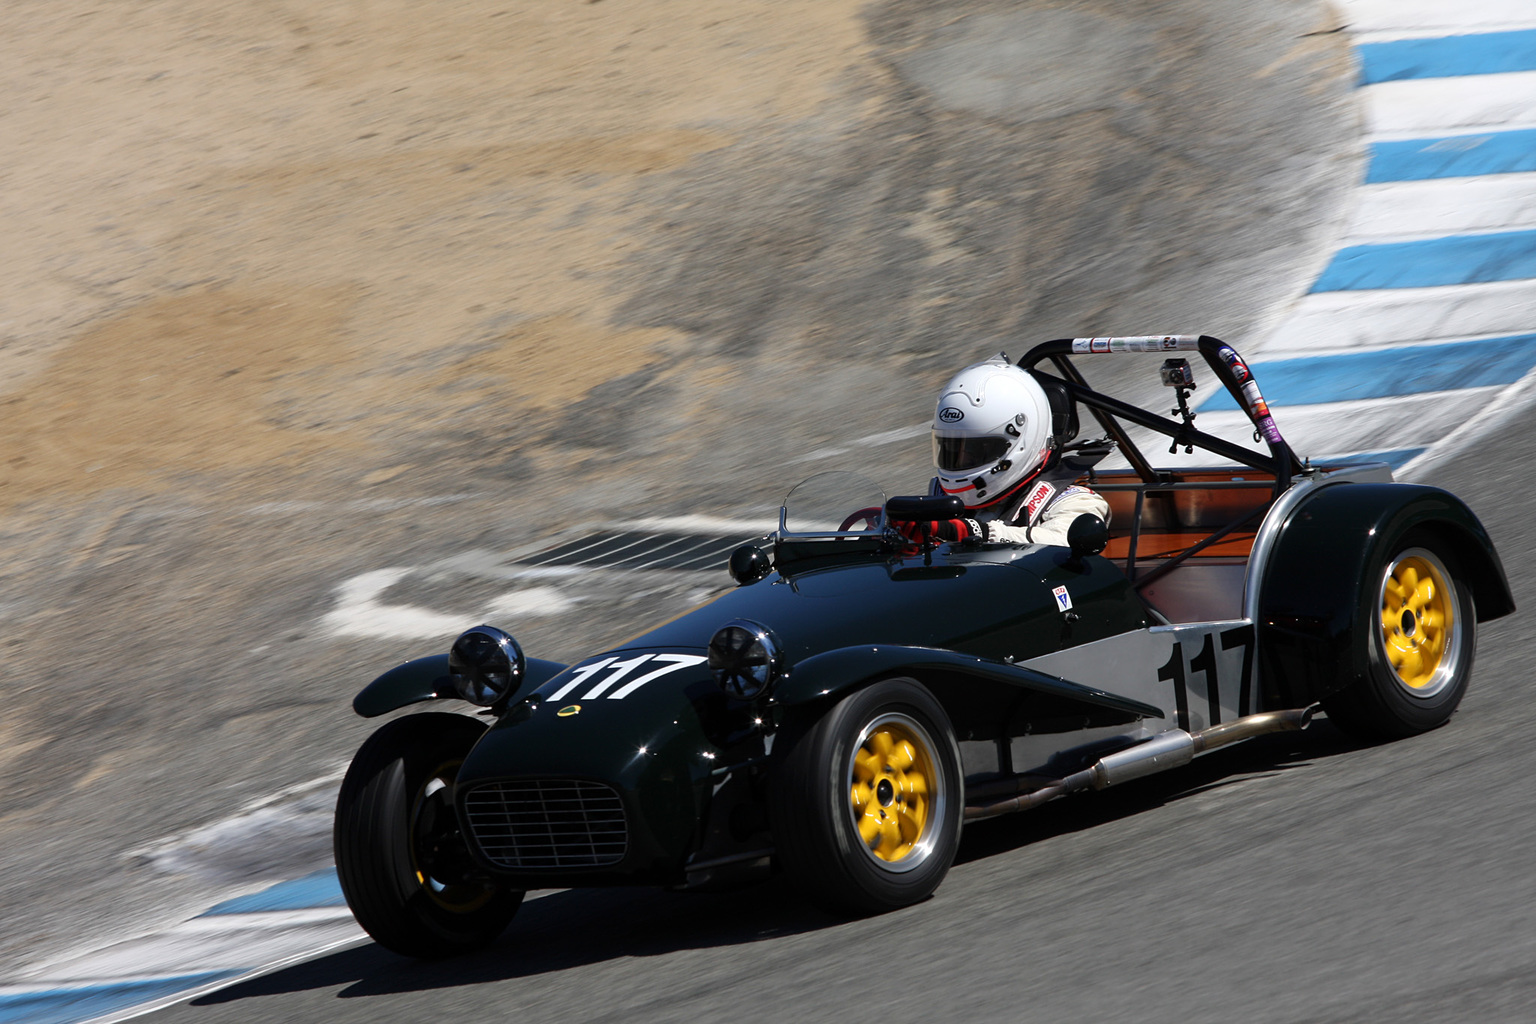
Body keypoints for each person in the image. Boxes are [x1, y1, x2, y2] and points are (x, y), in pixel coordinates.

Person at [909, 354, 1110, 547]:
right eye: (951, 450)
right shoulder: (941, 503)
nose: (961, 459)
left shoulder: (1076, 501)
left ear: (1020, 443)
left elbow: (1063, 540)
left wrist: (980, 533)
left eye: (974, 451)